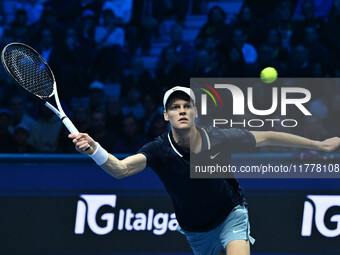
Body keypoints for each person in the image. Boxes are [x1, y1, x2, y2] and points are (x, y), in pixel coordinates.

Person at [69, 86, 340, 255]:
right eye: (175, 108)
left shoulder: (219, 137)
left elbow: (268, 136)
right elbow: (121, 170)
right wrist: (95, 149)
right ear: (166, 116)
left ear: (195, 111)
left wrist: (318, 144)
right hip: (196, 230)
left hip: (230, 212)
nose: (182, 111)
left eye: (187, 106)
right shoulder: (159, 150)